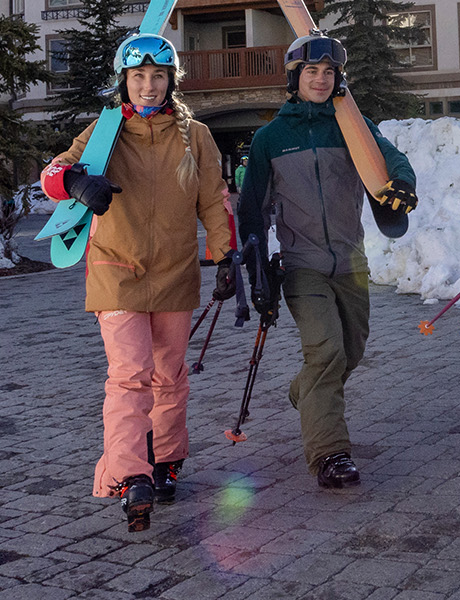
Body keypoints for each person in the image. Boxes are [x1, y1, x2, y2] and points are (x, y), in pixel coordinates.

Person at [40, 32, 231, 531]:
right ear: (124, 82)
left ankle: (165, 460)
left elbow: (213, 198)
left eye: (158, 76)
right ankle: (129, 476)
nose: (148, 86)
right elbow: (51, 174)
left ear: (172, 81)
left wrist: (226, 255)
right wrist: (78, 182)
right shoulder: (104, 131)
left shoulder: (197, 135)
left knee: (170, 375)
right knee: (130, 375)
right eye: (138, 77)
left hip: (175, 269)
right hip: (116, 270)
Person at [235, 34, 417, 488]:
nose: (320, 79)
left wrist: (402, 183)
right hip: (302, 265)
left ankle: (305, 391)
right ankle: (330, 454)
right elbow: (252, 208)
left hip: (352, 262)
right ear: (294, 78)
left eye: (329, 72)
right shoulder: (271, 138)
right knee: (326, 350)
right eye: (311, 72)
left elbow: (391, 158)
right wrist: (254, 268)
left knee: (349, 351)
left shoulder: (351, 125)